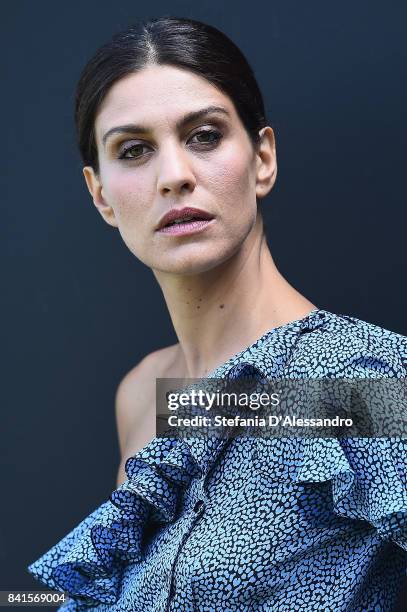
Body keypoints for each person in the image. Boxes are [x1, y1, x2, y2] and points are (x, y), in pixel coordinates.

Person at [28, 16, 406, 611]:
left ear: (262, 159)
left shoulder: (366, 380)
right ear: (100, 194)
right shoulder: (146, 393)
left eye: (204, 135)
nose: (175, 176)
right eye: (134, 150)